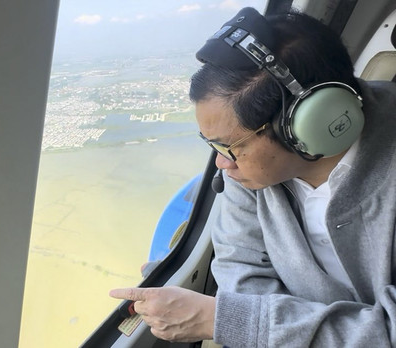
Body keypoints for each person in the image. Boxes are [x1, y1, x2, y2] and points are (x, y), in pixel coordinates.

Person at [110, 6, 396, 347]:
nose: (220, 162)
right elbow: (239, 270)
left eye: (231, 146)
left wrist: (229, 321)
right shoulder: (247, 173)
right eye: (212, 145)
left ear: (312, 124)